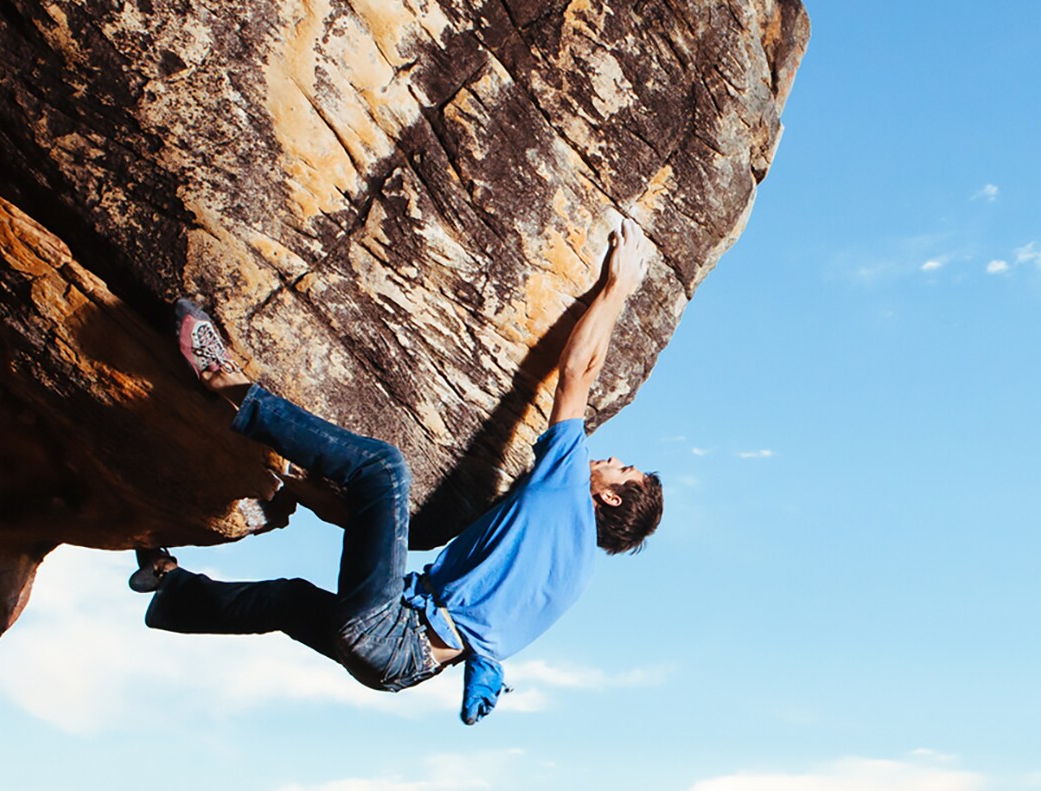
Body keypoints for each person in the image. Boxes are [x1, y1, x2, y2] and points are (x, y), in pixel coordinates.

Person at [134, 219, 663, 724]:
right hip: (401, 670)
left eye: (623, 469)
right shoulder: (574, 572)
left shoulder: (566, 492)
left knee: (382, 470)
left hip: (391, 633)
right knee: (286, 601)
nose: (610, 459)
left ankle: (224, 383)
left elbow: (578, 373)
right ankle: (171, 593)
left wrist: (617, 287)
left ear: (611, 498)